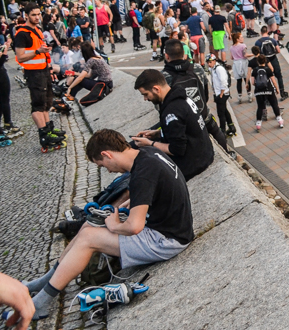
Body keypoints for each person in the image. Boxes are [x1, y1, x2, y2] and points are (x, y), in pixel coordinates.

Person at [19, 129, 192, 321]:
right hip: (170, 227)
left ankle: (42, 302)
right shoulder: (147, 154)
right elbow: (156, 188)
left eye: (102, 165)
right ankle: (46, 281)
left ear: (107, 154)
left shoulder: (142, 173)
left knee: (88, 238)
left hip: (166, 240)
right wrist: (132, 203)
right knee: (89, 225)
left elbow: (134, 226)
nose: (108, 170)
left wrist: (114, 225)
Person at [132, 69, 215, 179]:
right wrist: (158, 133)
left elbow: (176, 150)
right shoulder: (181, 96)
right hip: (204, 152)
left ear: (156, 89)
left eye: (146, 94)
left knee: (142, 169)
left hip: (193, 164)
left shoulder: (172, 111)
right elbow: (184, 128)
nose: (145, 99)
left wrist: (149, 144)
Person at [13, 4, 66, 152]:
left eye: (38, 14)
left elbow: (43, 53)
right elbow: (20, 57)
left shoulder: (37, 30)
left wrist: (49, 68)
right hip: (33, 73)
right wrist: (37, 51)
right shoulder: (22, 34)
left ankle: (49, 128)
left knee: (47, 102)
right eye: (34, 15)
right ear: (27, 16)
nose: (37, 17)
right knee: (37, 104)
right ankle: (44, 134)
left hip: (43, 71)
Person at [162, 38, 229, 152]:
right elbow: (205, 93)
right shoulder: (197, 68)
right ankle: (227, 152)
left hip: (184, 121)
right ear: (183, 54)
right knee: (216, 132)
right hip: (202, 113)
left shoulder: (164, 76)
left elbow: (163, 103)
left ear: (167, 56)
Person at [248, 52, 282, 132]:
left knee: (260, 107)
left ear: (258, 62)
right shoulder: (268, 70)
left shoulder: (255, 70)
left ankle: (258, 124)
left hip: (258, 91)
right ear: (265, 61)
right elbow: (273, 81)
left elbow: (252, 82)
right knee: (274, 104)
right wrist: (277, 89)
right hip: (269, 90)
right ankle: (280, 120)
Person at [253, 26, 288, 100]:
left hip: (264, 62)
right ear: (267, 32)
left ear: (261, 32)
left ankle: (267, 96)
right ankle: (282, 92)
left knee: (266, 78)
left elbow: (257, 54)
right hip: (273, 59)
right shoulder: (273, 40)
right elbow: (278, 50)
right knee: (279, 76)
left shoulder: (258, 42)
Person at [206, 54, 235, 137]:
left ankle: (222, 130)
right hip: (219, 93)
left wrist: (221, 94)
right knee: (224, 110)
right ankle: (231, 126)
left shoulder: (219, 69)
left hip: (222, 93)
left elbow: (223, 81)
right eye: (208, 62)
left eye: (210, 62)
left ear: (214, 61)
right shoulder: (213, 68)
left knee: (220, 113)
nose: (209, 64)